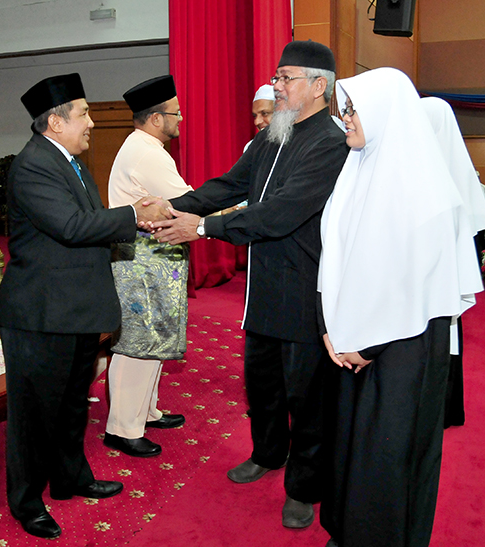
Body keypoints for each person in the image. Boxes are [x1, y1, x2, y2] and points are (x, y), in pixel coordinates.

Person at [150, 40, 349, 528]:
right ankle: (267, 454)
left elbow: (279, 214)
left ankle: (304, 486)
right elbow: (229, 185)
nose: (276, 86)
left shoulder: (329, 141)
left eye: (286, 78)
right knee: (262, 385)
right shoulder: (272, 136)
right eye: (277, 78)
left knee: (306, 397)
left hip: (304, 288)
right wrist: (182, 207)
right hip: (261, 289)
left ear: (318, 86)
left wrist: (201, 228)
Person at [0, 72, 171, 540]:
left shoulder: (67, 159)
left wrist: (134, 222)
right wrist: (135, 215)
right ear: (55, 122)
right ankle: (27, 502)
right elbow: (72, 226)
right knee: (34, 415)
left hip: (73, 307)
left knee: (72, 404)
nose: (93, 121)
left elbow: (90, 223)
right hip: (41, 314)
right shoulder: (33, 165)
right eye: (84, 113)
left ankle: (71, 477)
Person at [318, 67, 482, 547]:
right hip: (352, 342)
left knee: (387, 457)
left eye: (352, 110)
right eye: (344, 108)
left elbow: (412, 284)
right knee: (353, 447)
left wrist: (366, 342)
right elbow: (335, 258)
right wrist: (330, 328)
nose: (344, 119)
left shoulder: (425, 191)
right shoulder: (358, 171)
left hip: (401, 349)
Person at [104, 75, 193, 458]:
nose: (181, 119)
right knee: (137, 342)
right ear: (156, 118)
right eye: (176, 113)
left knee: (152, 338)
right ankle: (122, 428)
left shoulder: (142, 145)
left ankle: (145, 412)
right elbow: (186, 201)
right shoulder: (148, 153)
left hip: (149, 258)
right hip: (141, 261)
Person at [422, 96, 485, 429]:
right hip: (429, 286)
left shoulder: (449, 183)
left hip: (442, 286)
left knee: (445, 343)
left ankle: (445, 410)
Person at [243, 84, 276, 152]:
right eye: (255, 116)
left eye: (265, 113)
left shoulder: (297, 145)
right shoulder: (251, 147)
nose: (257, 122)